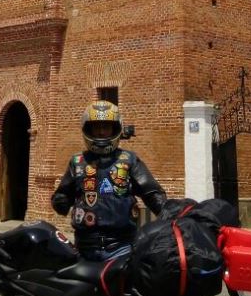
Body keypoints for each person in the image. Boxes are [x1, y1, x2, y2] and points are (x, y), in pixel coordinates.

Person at [52, 100, 166, 261]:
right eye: (96, 127)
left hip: (122, 247)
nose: (101, 132)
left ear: (116, 128)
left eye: (106, 127)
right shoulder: (77, 161)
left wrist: (169, 213)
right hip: (85, 246)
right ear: (87, 129)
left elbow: (152, 193)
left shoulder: (128, 160)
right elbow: (62, 196)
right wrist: (61, 200)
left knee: (124, 286)